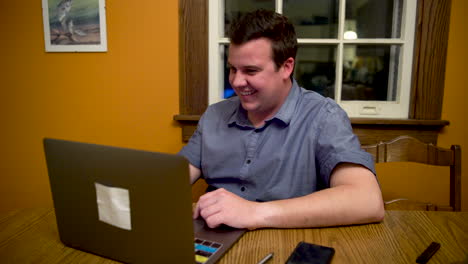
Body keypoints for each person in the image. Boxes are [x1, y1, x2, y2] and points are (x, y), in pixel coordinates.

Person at [179, 9, 384, 230]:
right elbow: (171, 181)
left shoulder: (323, 117)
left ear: (286, 67)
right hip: (211, 240)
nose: (237, 82)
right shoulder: (214, 115)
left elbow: (367, 201)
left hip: (287, 242)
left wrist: (253, 213)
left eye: (251, 70)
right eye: (232, 69)